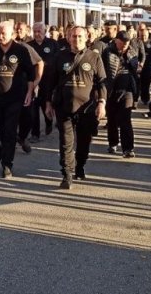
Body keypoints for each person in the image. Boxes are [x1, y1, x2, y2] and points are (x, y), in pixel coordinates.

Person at [45, 26, 106, 188]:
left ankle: (80, 165)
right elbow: (50, 82)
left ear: (86, 38)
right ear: (68, 38)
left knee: (84, 142)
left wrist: (102, 103)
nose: (76, 39)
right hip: (63, 107)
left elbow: (102, 83)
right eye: (73, 36)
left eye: (80, 36)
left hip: (87, 108)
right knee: (66, 141)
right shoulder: (59, 56)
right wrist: (48, 103)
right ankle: (66, 174)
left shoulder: (94, 57)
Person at [0, 21, 36, 178]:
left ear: (12, 34)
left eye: (3, 33)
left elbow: (31, 73)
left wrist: (30, 92)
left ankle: (7, 164)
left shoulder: (21, 51)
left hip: (14, 99)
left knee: (9, 133)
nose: (0, 36)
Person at [102, 31, 138, 158]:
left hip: (127, 90)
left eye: (127, 43)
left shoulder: (132, 53)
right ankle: (113, 143)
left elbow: (135, 72)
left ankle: (128, 148)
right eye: (122, 42)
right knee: (111, 119)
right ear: (116, 40)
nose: (124, 45)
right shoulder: (107, 52)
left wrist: (136, 94)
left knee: (125, 119)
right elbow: (102, 71)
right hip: (111, 90)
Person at [27, 22, 59, 141]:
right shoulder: (29, 45)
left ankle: (49, 122)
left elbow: (58, 60)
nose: (36, 34)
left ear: (44, 32)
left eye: (39, 31)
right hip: (34, 81)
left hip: (48, 81)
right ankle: (35, 134)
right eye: (34, 31)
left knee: (46, 104)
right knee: (34, 108)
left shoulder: (53, 44)